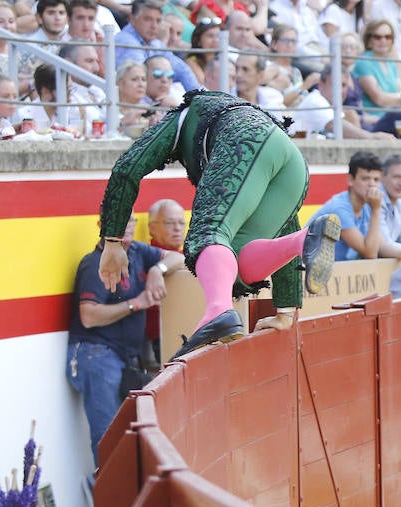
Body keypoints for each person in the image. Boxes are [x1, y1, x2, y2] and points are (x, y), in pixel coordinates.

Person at [97, 90, 342, 362]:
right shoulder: (224, 113)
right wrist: (286, 309)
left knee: (206, 234)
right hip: (292, 164)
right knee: (233, 261)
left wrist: (112, 240)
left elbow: (127, 168)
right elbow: (285, 224)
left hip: (244, 144)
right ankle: (307, 238)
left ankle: (218, 311)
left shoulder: (179, 118)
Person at [71, 214, 185, 462]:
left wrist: (158, 268)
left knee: (131, 433)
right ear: (103, 227)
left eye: (131, 219)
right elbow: (88, 316)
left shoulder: (136, 251)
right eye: (123, 220)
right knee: (109, 438)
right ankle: (110, 497)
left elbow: (179, 257)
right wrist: (136, 304)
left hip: (123, 357)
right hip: (96, 355)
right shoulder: (95, 264)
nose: (129, 226)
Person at [313, 150, 384, 261]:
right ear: (350, 180)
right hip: (306, 271)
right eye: (365, 178)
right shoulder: (339, 207)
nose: (372, 185)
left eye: (376, 180)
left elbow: (381, 245)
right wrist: (376, 210)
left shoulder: (368, 205)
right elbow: (370, 253)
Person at [143, 198, 186, 362]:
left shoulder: (187, 255)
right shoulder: (145, 257)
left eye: (181, 223)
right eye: (169, 223)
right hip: (166, 338)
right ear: (152, 228)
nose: (177, 228)